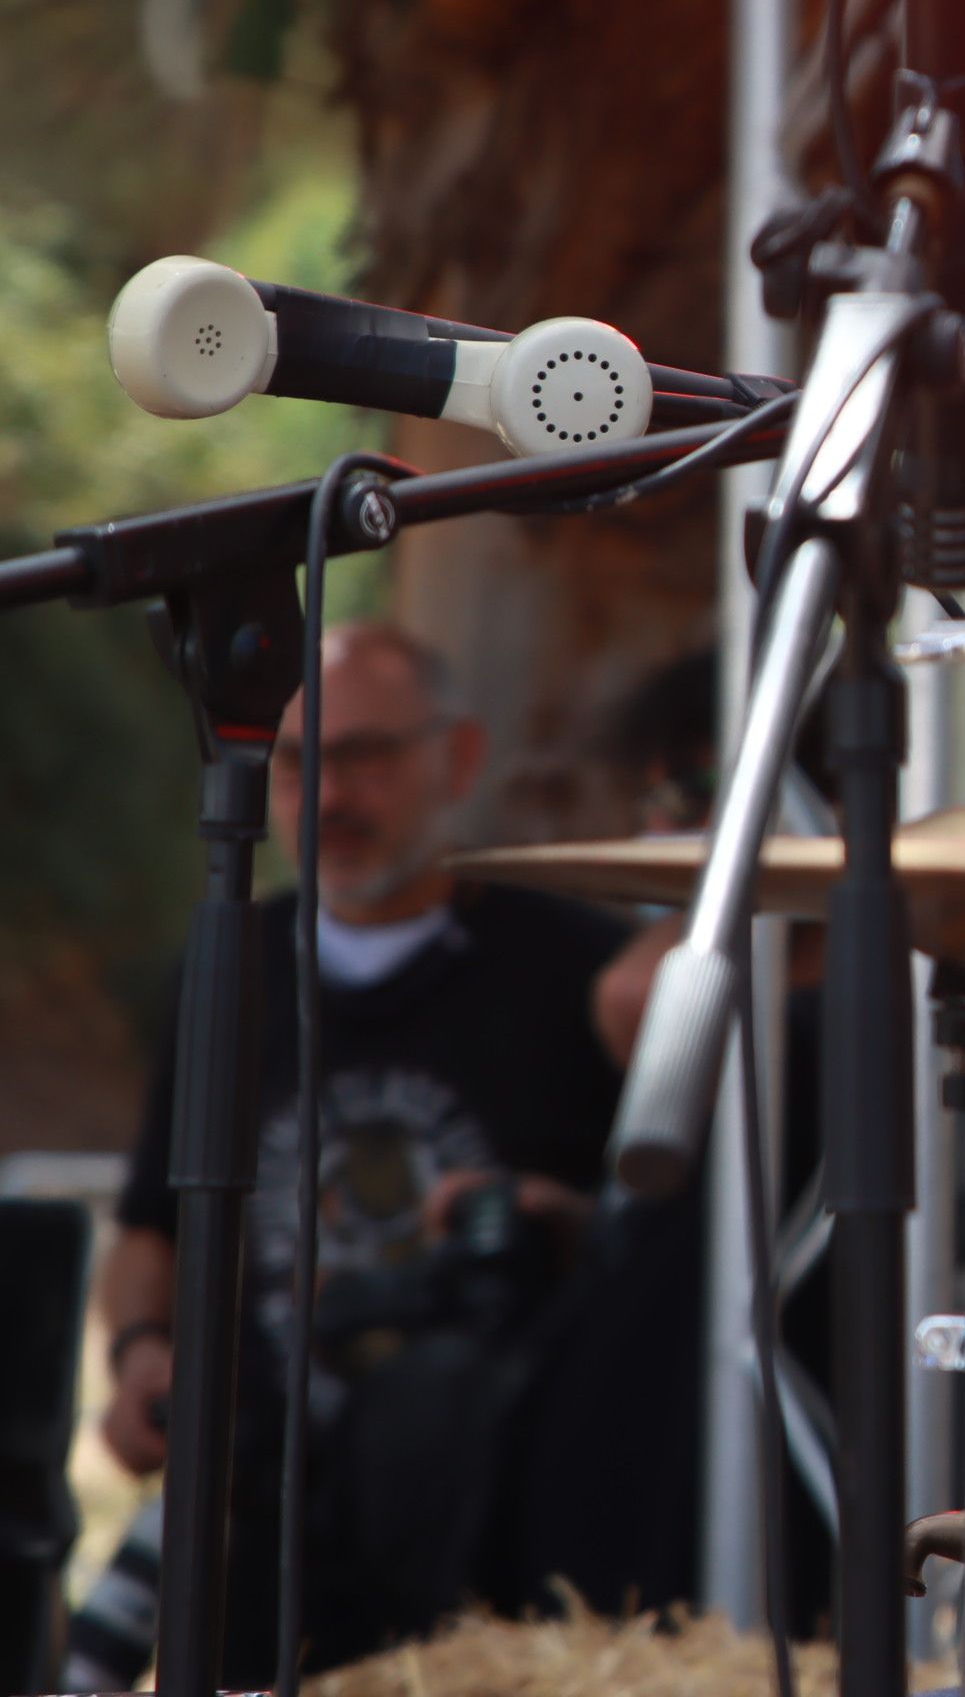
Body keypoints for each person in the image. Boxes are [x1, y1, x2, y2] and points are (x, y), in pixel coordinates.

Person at [95, 621, 646, 1680]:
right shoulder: (227, 963)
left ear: (460, 756)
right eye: (300, 762)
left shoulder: (582, 972)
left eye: (368, 756)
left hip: (496, 1554)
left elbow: (659, 1257)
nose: (331, 796)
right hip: (260, 1539)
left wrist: (560, 1225)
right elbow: (145, 1228)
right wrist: (138, 1354)